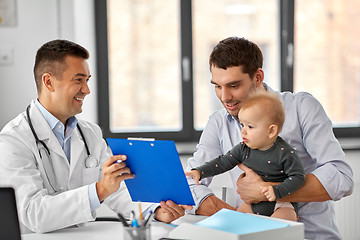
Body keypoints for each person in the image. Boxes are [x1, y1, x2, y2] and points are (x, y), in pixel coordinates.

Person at [0, 39, 191, 233]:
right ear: (49, 82)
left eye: (87, 80)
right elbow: (34, 214)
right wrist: (99, 190)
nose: (87, 89)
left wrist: (156, 210)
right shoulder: (13, 140)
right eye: (78, 80)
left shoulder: (90, 133)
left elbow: (117, 189)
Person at [186, 37, 353, 240]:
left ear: (258, 77)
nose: (224, 97)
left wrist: (266, 191)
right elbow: (189, 180)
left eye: (233, 85)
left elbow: (340, 176)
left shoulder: (301, 108)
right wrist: (239, 218)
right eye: (217, 86)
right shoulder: (219, 123)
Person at [185, 91, 305, 221]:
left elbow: (298, 178)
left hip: (281, 204)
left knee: (280, 227)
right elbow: (222, 162)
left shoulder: (285, 153)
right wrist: (200, 171)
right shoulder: (243, 148)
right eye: (242, 124)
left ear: (271, 131)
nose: (243, 130)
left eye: (250, 126)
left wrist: (277, 190)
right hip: (251, 203)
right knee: (236, 223)